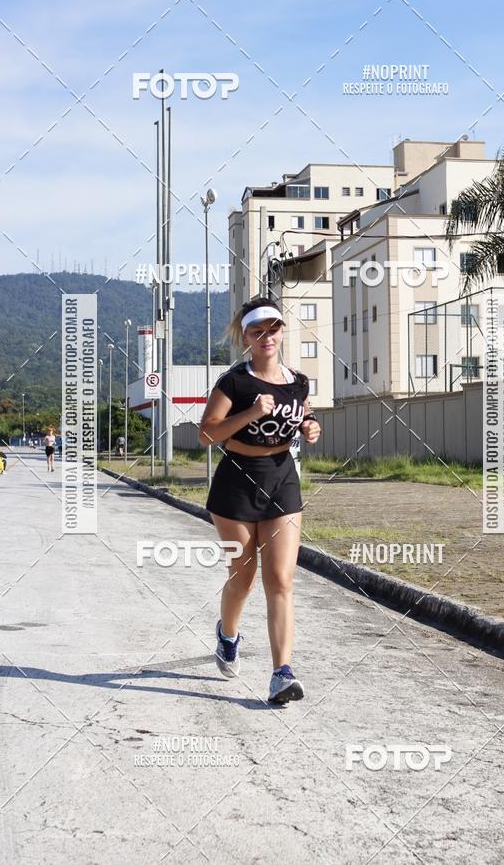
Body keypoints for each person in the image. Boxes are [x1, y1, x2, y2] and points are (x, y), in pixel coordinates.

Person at [199, 298, 321, 705]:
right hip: (235, 485)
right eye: (257, 332)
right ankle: (228, 635)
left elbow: (302, 413)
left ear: (282, 332)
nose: (267, 337)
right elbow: (207, 434)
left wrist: (309, 424)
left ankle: (281, 673)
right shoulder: (234, 382)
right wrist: (249, 414)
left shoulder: (298, 382)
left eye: (273, 329)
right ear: (246, 338)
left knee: (281, 580)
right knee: (242, 576)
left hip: (282, 482)